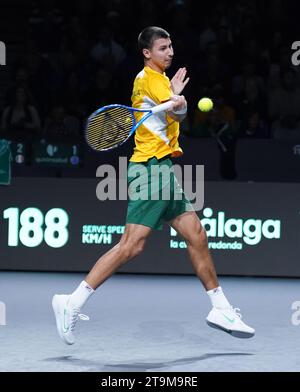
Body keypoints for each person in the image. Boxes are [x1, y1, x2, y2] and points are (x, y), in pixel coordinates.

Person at [52, 26, 255, 345]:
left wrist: (177, 99)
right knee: (131, 246)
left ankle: (221, 308)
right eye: (162, 48)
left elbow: (176, 115)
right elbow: (178, 111)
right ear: (147, 53)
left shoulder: (156, 81)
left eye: (171, 46)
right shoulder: (149, 78)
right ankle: (71, 302)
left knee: (196, 235)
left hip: (162, 169)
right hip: (150, 171)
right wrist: (178, 99)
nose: (170, 52)